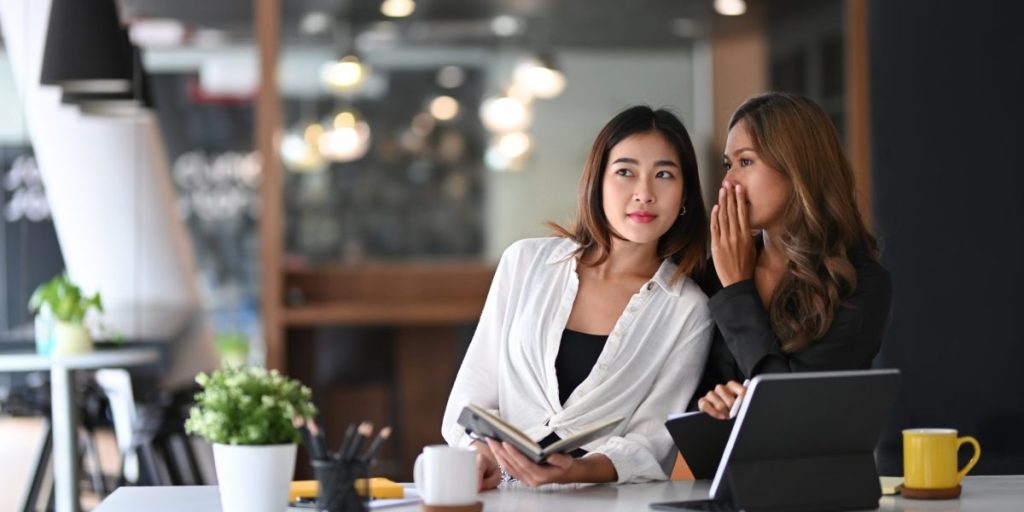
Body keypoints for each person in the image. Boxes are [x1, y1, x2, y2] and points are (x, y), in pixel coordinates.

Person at [441, 106, 714, 488]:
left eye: (664, 175)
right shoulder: (525, 263)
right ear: (597, 181)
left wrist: (581, 469)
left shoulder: (688, 310)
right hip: (498, 497)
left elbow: (652, 441)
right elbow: (472, 395)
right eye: (625, 172)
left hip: (598, 501)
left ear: (685, 194)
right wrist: (477, 451)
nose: (644, 193)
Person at [694, 92, 892, 419]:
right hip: (725, 468)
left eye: (745, 162)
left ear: (797, 167)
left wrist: (738, 291)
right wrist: (711, 407)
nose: (728, 182)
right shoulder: (715, 271)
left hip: (817, 469)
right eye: (728, 165)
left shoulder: (860, 283)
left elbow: (792, 409)